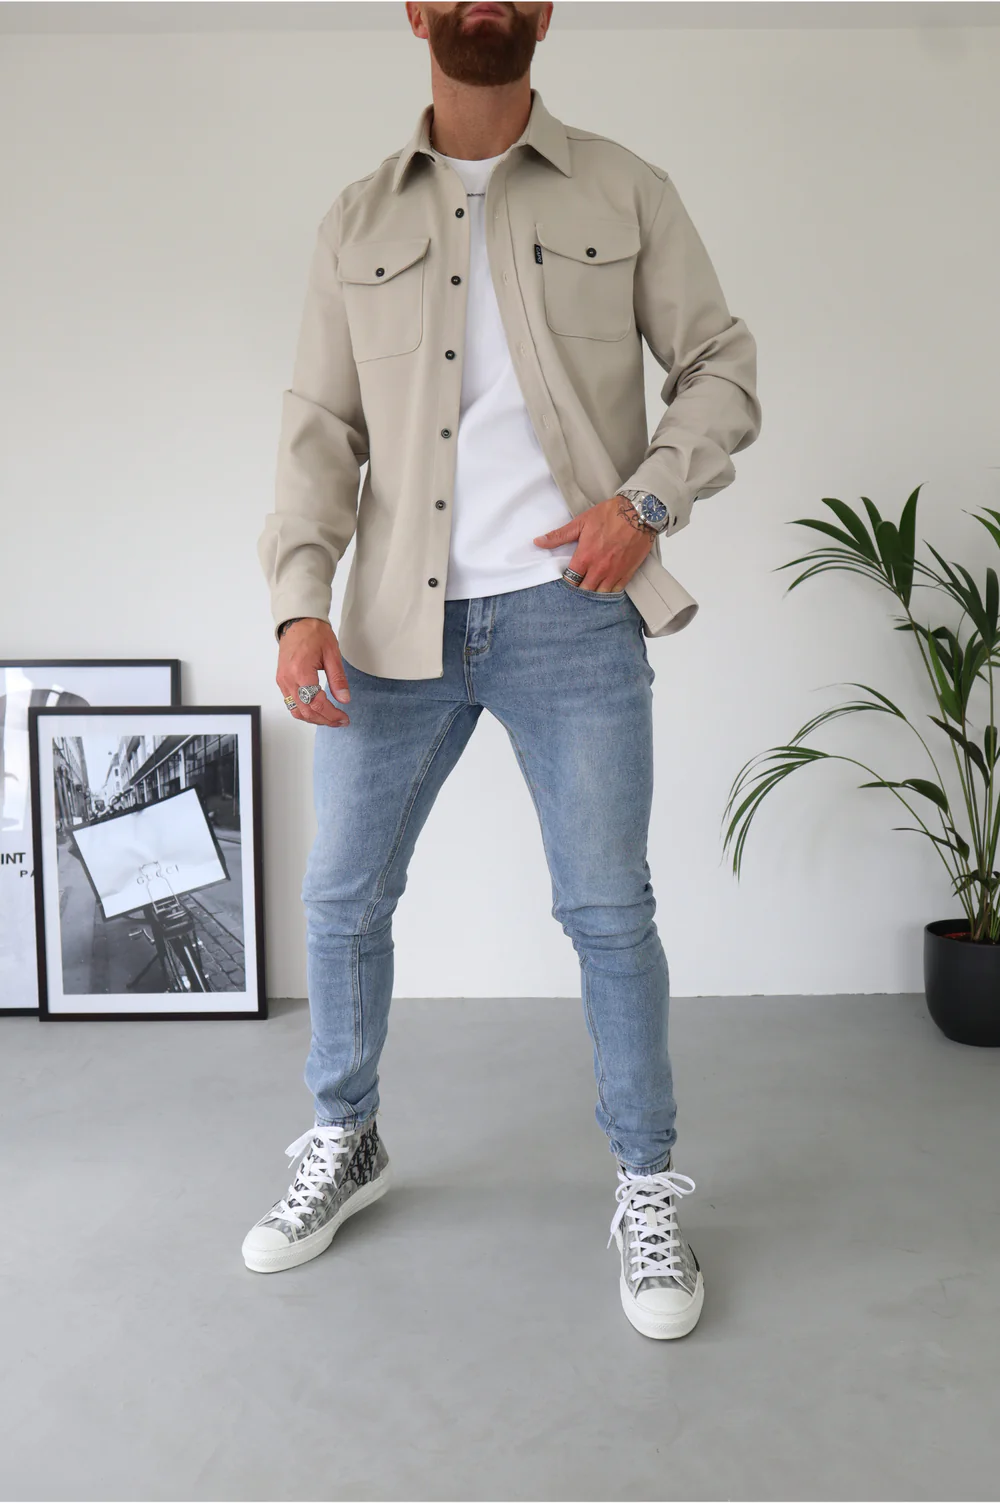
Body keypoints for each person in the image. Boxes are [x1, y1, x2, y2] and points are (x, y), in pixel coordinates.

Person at [246, 1, 760, 1342]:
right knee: (341, 899)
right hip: (388, 625)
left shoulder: (625, 189)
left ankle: (645, 1181)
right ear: (415, 12)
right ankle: (346, 1136)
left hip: (569, 617)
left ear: (545, 10)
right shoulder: (356, 219)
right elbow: (318, 428)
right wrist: (299, 603)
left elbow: (721, 367)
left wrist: (645, 503)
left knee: (607, 911)